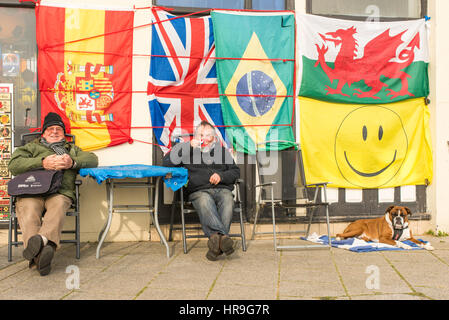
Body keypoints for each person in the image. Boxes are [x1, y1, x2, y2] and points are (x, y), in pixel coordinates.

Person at [8, 112, 98, 276]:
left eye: (59, 129)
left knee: (58, 206)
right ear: (43, 132)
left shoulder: (71, 150)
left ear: (64, 133)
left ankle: (39, 246)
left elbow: (93, 159)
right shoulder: (31, 147)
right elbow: (14, 164)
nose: (55, 131)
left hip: (59, 191)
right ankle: (43, 251)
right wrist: (42, 162)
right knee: (28, 210)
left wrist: (72, 162)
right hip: (32, 190)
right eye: (50, 128)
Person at [163, 121, 240, 261]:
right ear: (195, 136)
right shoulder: (186, 150)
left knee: (228, 198)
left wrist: (221, 176)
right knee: (204, 200)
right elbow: (166, 163)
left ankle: (216, 243)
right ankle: (224, 239)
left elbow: (235, 172)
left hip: (222, 189)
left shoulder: (221, 151)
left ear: (214, 138)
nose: (204, 138)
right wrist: (188, 147)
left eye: (208, 135)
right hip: (199, 191)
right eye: (200, 134)